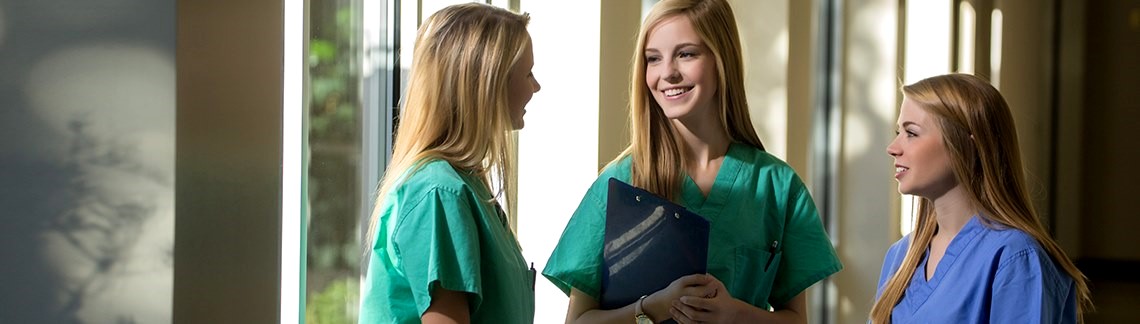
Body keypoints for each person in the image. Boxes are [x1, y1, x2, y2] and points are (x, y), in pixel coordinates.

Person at [542, 0, 842, 323]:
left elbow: (797, 319)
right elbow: (577, 321)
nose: (667, 73)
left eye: (686, 54)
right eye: (653, 59)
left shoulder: (777, 187)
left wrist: (735, 314)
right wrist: (650, 308)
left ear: (721, 60)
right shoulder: (619, 183)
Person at [358, 3, 541, 323]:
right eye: (527, 73)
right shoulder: (439, 194)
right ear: (487, 85)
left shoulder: (464, 185)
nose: (535, 87)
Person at [871, 73, 1093, 323]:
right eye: (898, 131)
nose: (892, 147)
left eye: (911, 133)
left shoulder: (1015, 257)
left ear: (968, 145)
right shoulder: (900, 257)